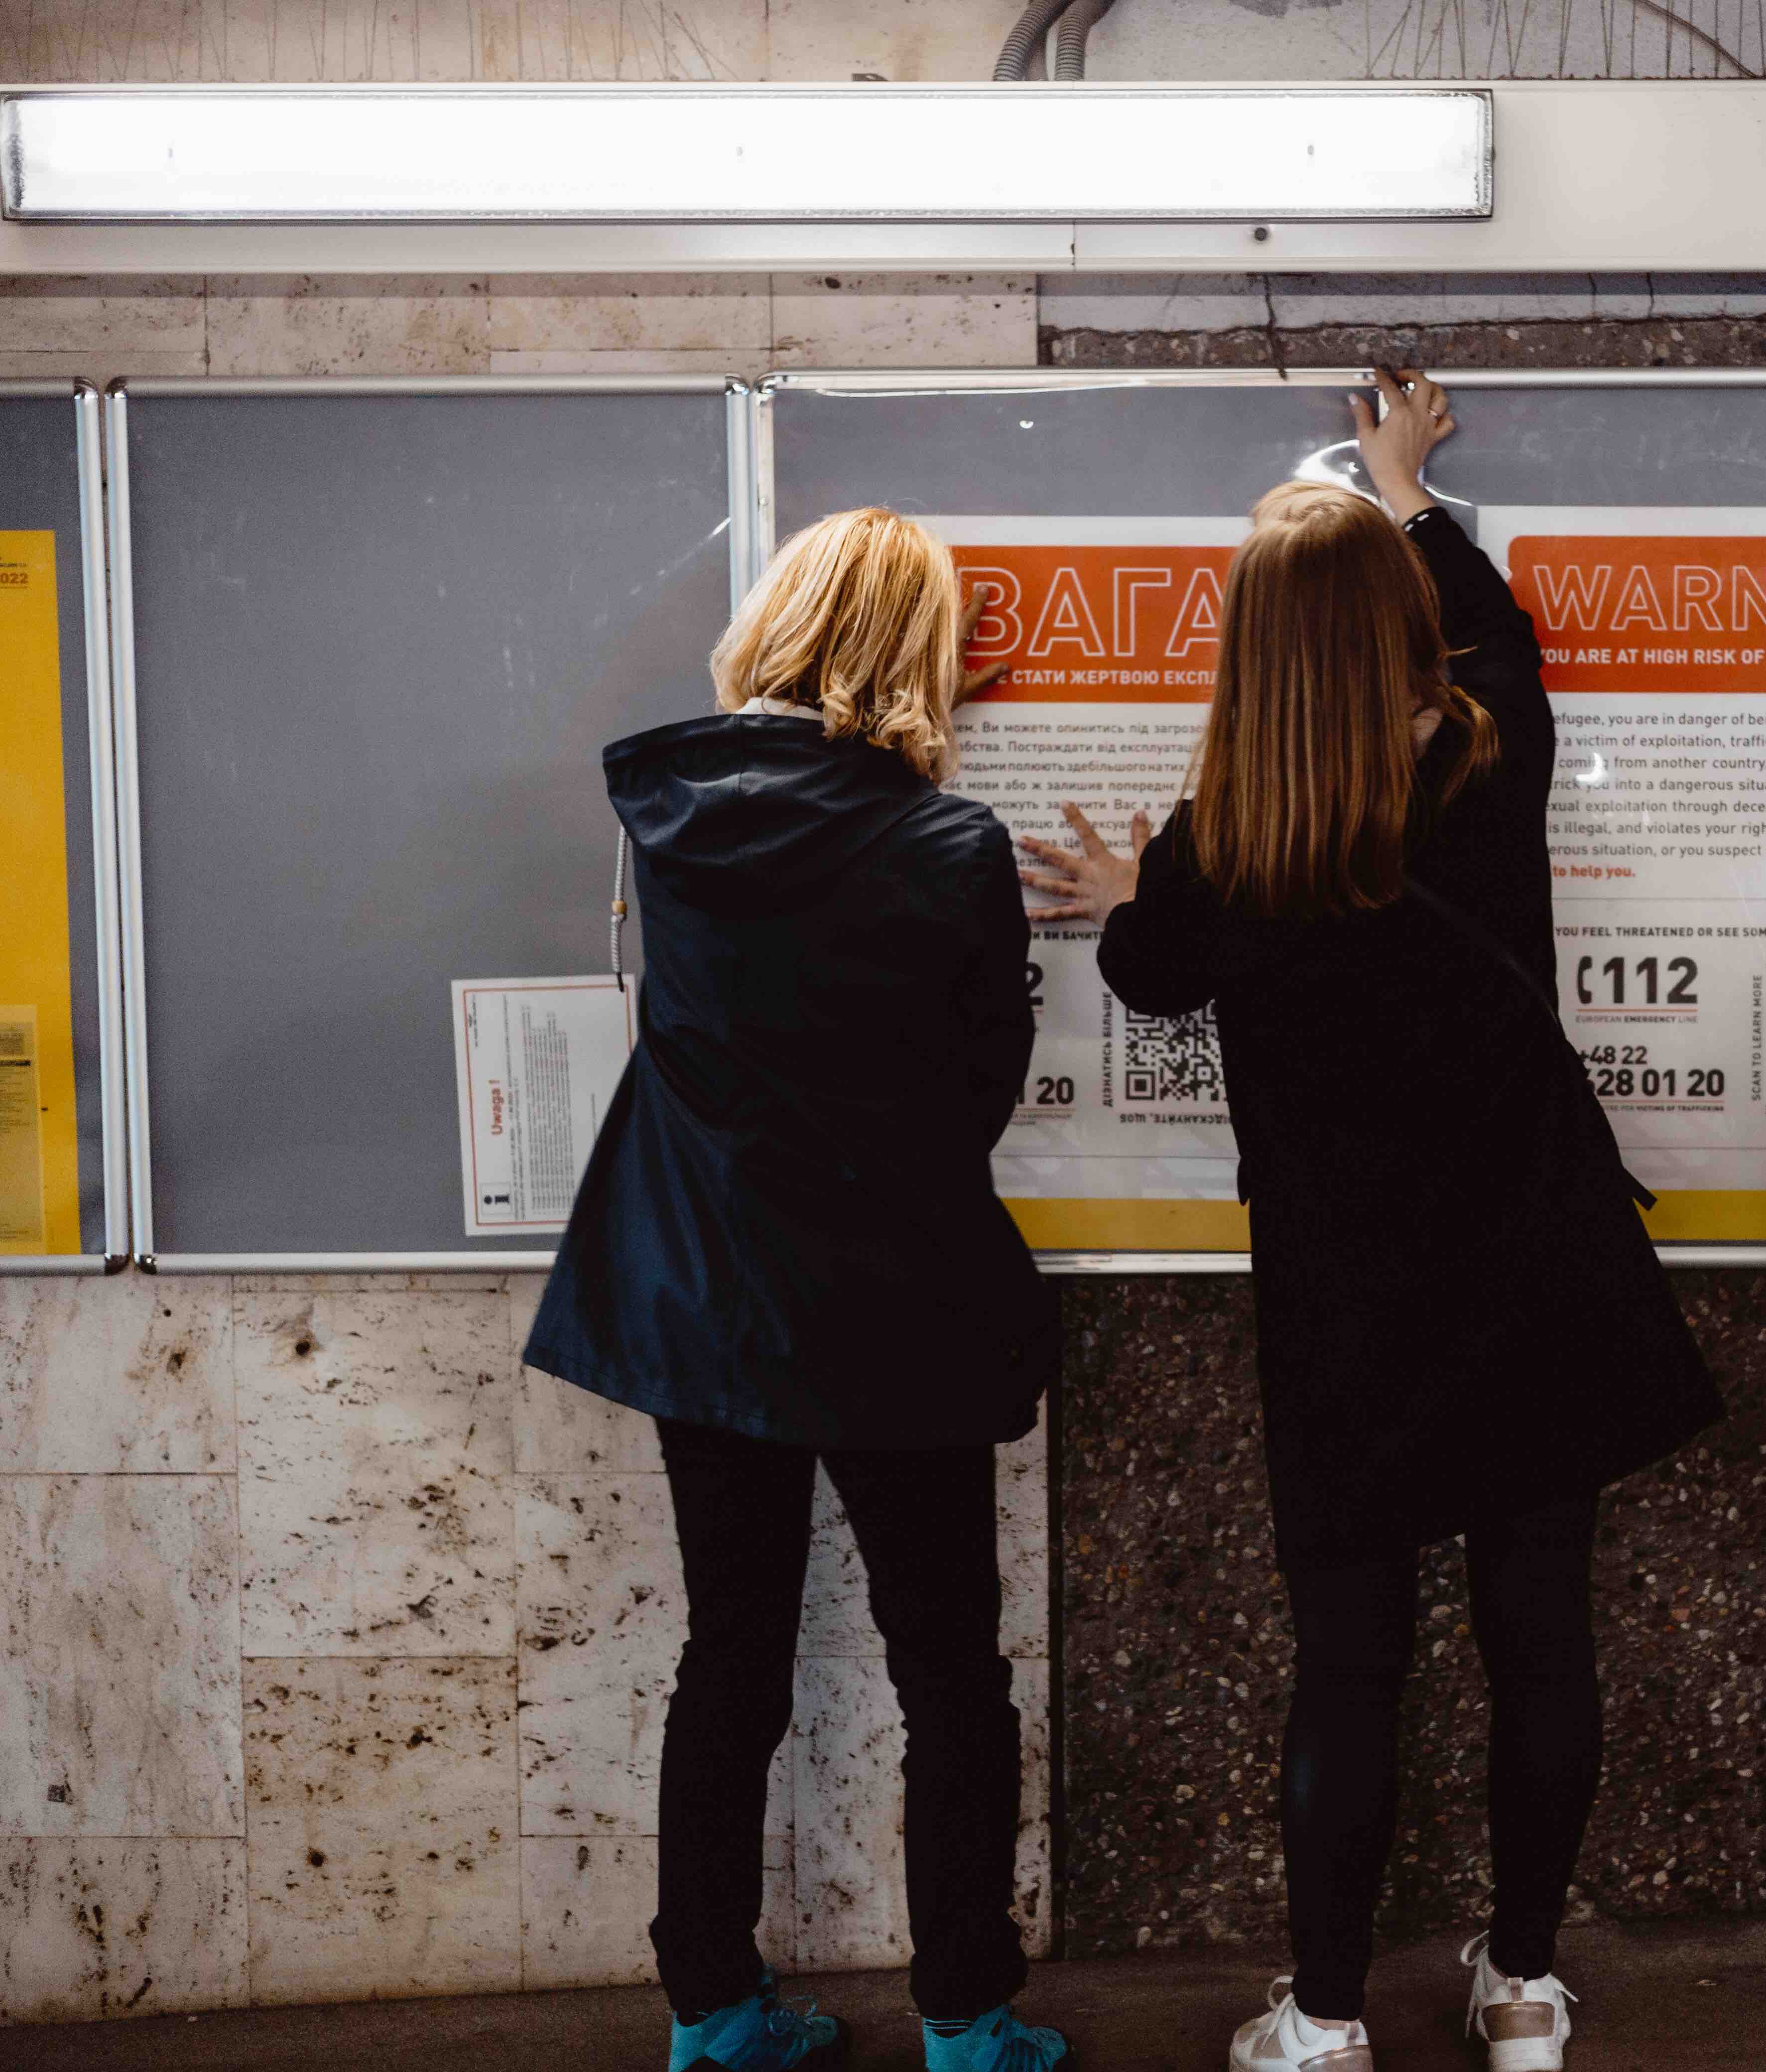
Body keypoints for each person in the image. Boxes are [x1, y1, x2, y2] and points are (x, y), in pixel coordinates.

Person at [1019, 369, 1721, 2072]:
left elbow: (1142, 960)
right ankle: (1526, 1993)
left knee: (1349, 1662)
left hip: (1347, 1303)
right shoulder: (1490, 759)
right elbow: (1506, 656)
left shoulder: (1227, 844)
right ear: (1405, 623)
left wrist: (1127, 893)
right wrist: (1409, 497)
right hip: (1536, 1262)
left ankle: (1326, 2018)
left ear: (1250, 653)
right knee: (1540, 1626)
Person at [523, 508, 1071, 2072]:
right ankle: (966, 2022)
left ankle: (711, 2015)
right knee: (949, 1672)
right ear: (915, 653)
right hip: (897, 1312)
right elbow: (981, 1090)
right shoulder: (947, 844)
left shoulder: (669, 819)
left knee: (731, 1656)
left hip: (707, 1306)